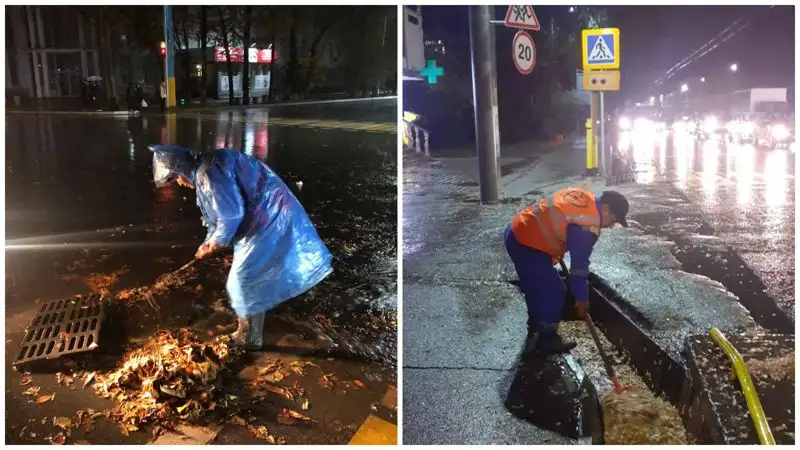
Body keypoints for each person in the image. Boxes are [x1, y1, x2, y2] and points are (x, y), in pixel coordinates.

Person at [149, 145, 333, 349]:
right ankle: (253, 323)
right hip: (264, 215)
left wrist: (216, 243)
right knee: (252, 276)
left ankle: (249, 338)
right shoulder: (206, 169)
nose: (180, 183)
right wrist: (208, 242)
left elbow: (230, 215)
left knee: (243, 281)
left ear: (181, 170)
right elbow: (216, 216)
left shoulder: (208, 174)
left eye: (176, 178)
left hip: (268, 218)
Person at [504, 188, 629, 355]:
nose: (612, 225)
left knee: (534, 287)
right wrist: (582, 299)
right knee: (554, 291)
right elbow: (578, 268)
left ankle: (535, 327)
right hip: (527, 244)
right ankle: (546, 339)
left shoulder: (584, 197)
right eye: (614, 220)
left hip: (517, 229)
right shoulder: (587, 226)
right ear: (605, 209)